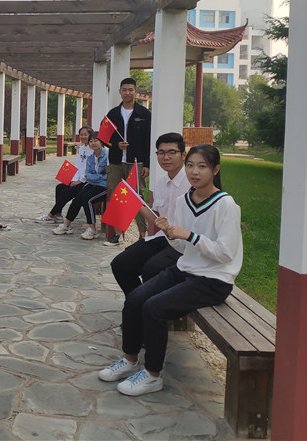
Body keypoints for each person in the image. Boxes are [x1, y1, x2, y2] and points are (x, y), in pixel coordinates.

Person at [98, 144, 242, 397]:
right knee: (135, 299)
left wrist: (190, 235)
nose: (194, 172)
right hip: (185, 268)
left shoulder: (226, 205)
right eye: (190, 166)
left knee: (154, 308)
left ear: (215, 170)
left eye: (202, 166)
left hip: (213, 279)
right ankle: (129, 359)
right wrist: (169, 232)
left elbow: (226, 253)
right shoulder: (184, 200)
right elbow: (180, 246)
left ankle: (153, 375)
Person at [110, 132, 191, 296]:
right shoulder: (160, 184)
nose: (166, 157)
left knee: (151, 269)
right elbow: (157, 220)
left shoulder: (191, 182)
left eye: (171, 152)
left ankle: (146, 305)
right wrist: (137, 203)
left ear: (183, 155)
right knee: (120, 264)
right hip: (164, 238)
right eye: (161, 152)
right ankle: (136, 302)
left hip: (185, 243)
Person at [104, 77, 152, 246]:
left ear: (135, 91)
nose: (127, 93)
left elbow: (148, 141)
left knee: (137, 198)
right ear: (120, 92)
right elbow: (104, 138)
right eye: (124, 90)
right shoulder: (113, 114)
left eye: (131, 90)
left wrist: (147, 164)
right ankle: (117, 234)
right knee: (116, 198)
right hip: (116, 162)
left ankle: (142, 234)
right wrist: (116, 145)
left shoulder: (144, 114)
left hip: (136, 163)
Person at [52, 131, 108, 240]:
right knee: (77, 199)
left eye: (96, 141)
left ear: (101, 142)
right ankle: (66, 225)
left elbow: (107, 176)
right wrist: (95, 177)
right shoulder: (91, 158)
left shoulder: (107, 155)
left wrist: (93, 177)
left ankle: (92, 229)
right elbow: (88, 174)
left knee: (86, 199)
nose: (93, 143)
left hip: (104, 186)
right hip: (92, 184)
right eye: (91, 141)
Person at [35, 125, 93, 224]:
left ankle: (50, 215)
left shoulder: (92, 150)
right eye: (81, 135)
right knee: (59, 187)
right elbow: (78, 165)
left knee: (67, 192)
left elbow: (90, 169)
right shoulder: (82, 148)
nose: (83, 137)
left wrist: (80, 181)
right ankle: (58, 215)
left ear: (90, 135)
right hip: (78, 179)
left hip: (87, 181)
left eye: (85, 135)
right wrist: (73, 179)